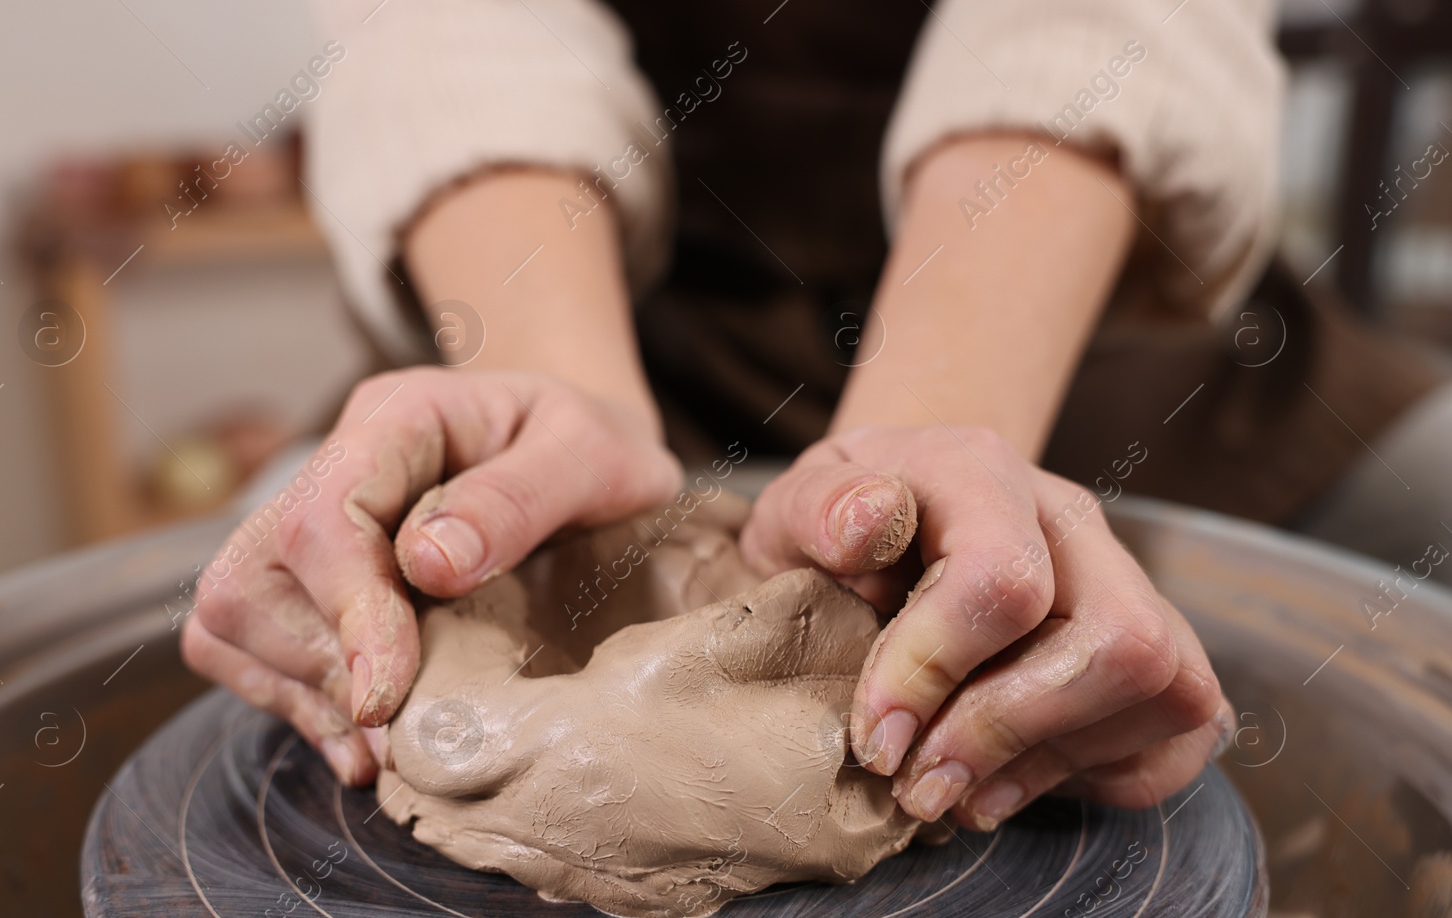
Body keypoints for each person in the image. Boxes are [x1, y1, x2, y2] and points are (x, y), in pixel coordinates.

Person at [182, 0, 1447, 831]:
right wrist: (555, 389)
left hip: (1077, 298)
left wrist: (914, 463)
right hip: (619, 309)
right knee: (272, 571)